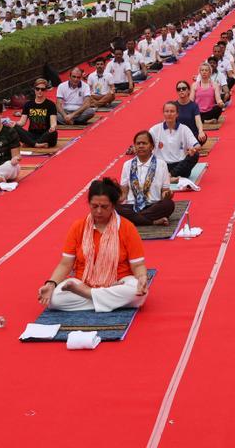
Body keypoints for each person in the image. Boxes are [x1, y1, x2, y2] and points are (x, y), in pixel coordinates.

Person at [36, 178, 149, 313]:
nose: (99, 211)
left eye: (104, 207)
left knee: (137, 293)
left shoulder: (127, 228)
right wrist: (51, 284)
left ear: (113, 206)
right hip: (83, 281)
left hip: (119, 281)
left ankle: (88, 294)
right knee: (54, 299)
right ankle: (106, 299)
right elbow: (66, 264)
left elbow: (137, 265)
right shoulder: (78, 227)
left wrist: (142, 278)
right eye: (94, 206)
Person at [117, 130, 175, 225]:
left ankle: (135, 219)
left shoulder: (161, 164)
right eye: (138, 143)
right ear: (134, 146)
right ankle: (152, 222)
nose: (140, 146)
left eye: (144, 143)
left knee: (168, 205)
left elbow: (164, 191)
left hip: (153, 205)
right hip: (132, 206)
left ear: (152, 146)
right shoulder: (127, 165)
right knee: (114, 209)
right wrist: (114, 198)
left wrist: (167, 195)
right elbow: (124, 192)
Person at [149, 101, 201, 181]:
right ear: (163, 113)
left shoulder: (184, 129)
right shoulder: (154, 130)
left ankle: (169, 176)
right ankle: (170, 178)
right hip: (162, 166)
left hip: (180, 166)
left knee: (195, 155)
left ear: (177, 114)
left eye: (172, 111)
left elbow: (197, 145)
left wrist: (193, 149)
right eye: (167, 111)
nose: (169, 114)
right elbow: (146, 144)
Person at [15, 79, 58, 147]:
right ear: (34, 89)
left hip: (46, 135)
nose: (39, 91)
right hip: (31, 135)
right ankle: (36, 144)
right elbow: (22, 123)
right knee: (14, 128)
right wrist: (13, 124)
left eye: (42, 89)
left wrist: (53, 127)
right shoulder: (28, 104)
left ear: (46, 90)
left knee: (53, 133)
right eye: (37, 89)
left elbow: (53, 122)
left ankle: (31, 143)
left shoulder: (51, 105)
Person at [173, 79, 206, 144]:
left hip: (192, 135)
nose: (181, 90)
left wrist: (201, 131)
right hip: (179, 136)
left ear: (188, 91)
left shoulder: (194, 105)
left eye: (184, 88)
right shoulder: (174, 105)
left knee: (203, 138)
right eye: (179, 89)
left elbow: (198, 120)